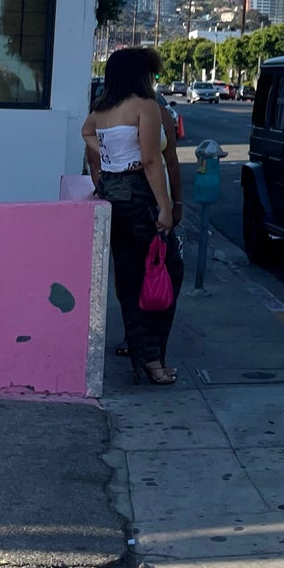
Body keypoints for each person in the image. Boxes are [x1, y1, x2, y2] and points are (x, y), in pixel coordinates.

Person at [83, 46, 184, 385]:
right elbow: (153, 160)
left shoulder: (102, 110)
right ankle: (155, 360)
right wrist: (167, 207)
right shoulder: (147, 107)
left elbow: (86, 133)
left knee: (129, 281)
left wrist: (111, 155)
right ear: (142, 75)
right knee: (167, 271)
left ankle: (145, 359)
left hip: (112, 194)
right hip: (140, 195)